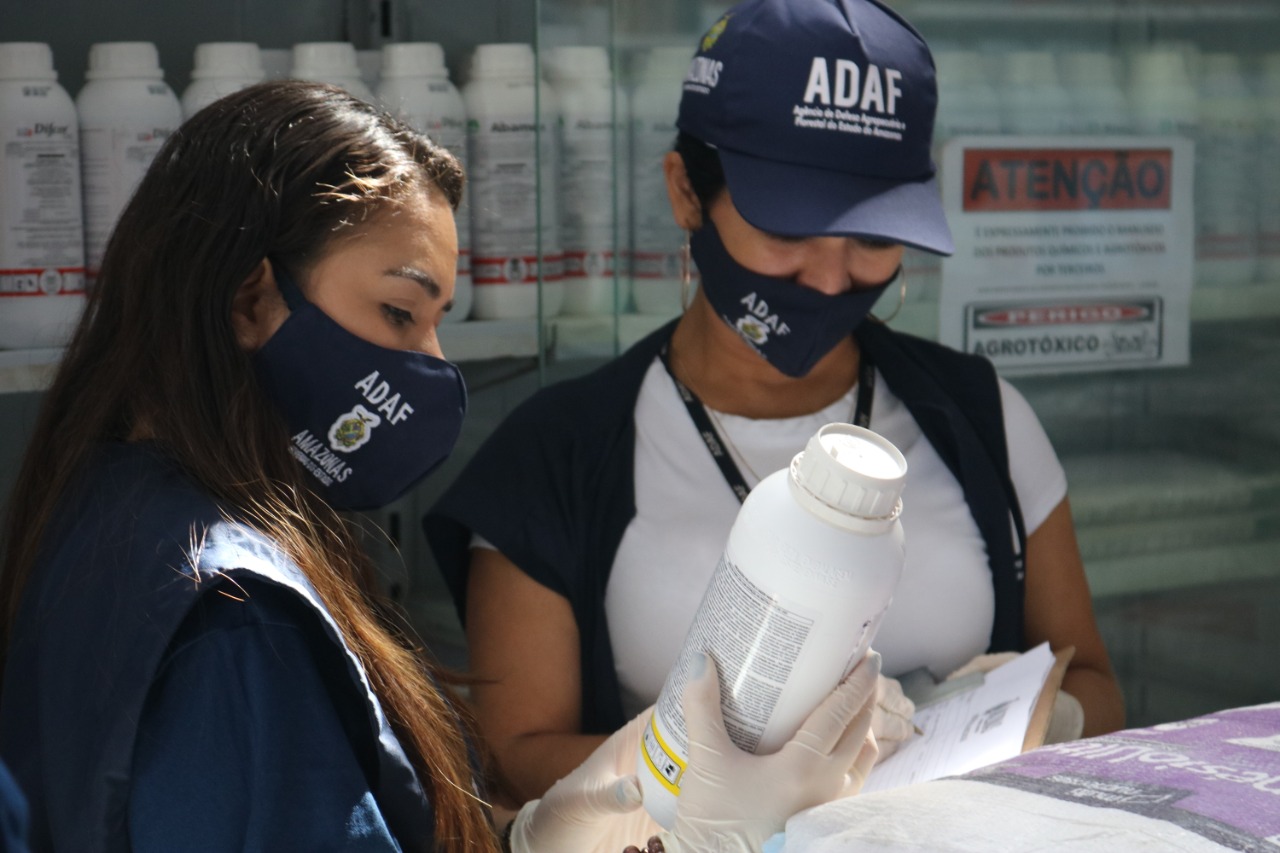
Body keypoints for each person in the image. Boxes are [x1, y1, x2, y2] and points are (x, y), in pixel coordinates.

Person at [0, 80, 881, 852]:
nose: (430, 365)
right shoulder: (238, 622)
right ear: (250, 298)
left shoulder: (106, 501)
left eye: (439, 323)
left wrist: (529, 834)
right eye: (398, 311)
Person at [424, 0, 1127, 806]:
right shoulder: (556, 456)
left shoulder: (980, 417)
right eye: (789, 228)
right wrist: (690, 777)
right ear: (687, 192)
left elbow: (1100, 681)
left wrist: (1049, 712)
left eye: (870, 236)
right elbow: (513, 754)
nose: (830, 279)